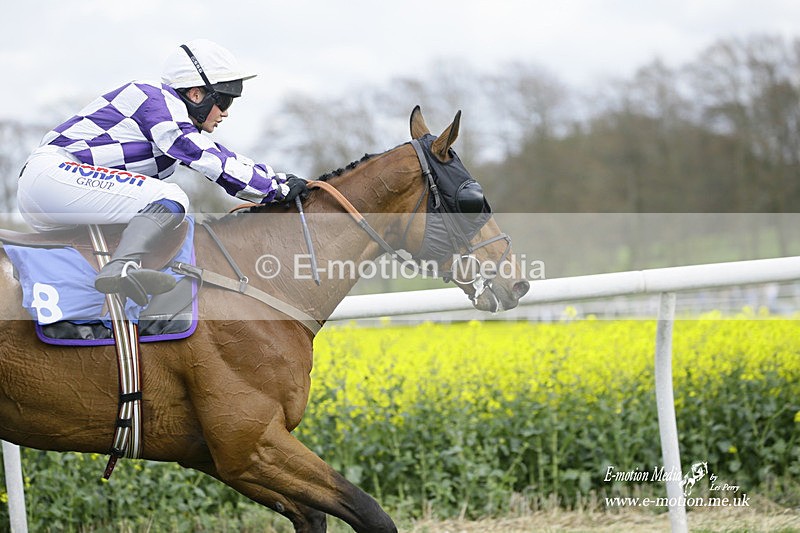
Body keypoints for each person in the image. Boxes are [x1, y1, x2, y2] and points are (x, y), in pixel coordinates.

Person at [17, 39, 308, 305]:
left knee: (154, 202)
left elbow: (219, 155)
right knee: (171, 195)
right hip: (53, 175)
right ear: (196, 94)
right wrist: (273, 189)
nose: (226, 113)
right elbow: (205, 157)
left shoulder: (171, 120)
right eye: (224, 101)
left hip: (59, 189)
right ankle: (121, 268)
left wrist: (276, 178)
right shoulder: (154, 98)